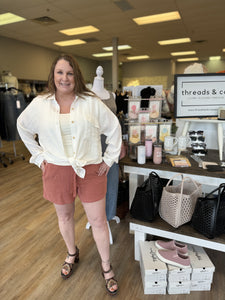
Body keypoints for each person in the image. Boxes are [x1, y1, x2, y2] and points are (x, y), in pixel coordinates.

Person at [17, 53, 121, 296]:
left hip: (91, 168)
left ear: (77, 76)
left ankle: (106, 266)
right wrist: (39, 157)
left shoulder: (90, 102)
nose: (65, 78)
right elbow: (22, 126)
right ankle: (72, 254)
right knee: (64, 218)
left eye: (70, 73)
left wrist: (109, 159)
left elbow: (114, 128)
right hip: (56, 168)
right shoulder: (41, 103)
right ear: (53, 75)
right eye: (60, 72)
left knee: (97, 221)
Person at [91, 66, 119, 222]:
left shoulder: (112, 95)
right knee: (94, 183)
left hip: (111, 144)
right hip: (93, 145)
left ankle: (109, 214)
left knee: (112, 181)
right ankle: (96, 218)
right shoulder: (86, 96)